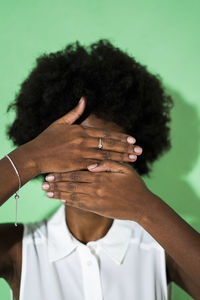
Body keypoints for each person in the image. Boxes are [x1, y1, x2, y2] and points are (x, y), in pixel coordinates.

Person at [0, 40, 200, 300]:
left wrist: (146, 208)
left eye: (106, 150)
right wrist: (29, 157)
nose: (89, 166)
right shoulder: (18, 248)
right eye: (75, 151)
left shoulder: (161, 246)